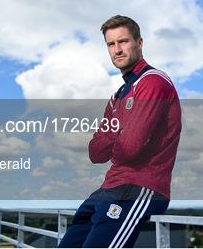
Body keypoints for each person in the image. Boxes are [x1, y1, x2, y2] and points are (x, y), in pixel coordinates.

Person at [58, 15, 181, 248]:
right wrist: (122, 133)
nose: (117, 50)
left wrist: (116, 135)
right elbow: (95, 152)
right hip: (109, 188)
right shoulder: (118, 96)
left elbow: (130, 149)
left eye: (123, 41)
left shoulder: (153, 82)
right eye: (111, 44)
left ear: (139, 43)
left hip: (140, 188)